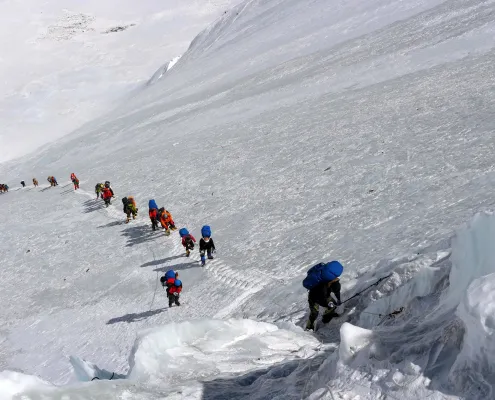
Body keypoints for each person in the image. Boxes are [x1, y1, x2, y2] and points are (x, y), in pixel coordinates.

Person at [303, 261, 343, 331]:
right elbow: (322, 298)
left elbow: (336, 291)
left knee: (332, 306)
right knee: (314, 313)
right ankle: (309, 327)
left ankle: (326, 317)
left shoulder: (331, 282)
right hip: (314, 298)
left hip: (321, 296)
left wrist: (338, 300)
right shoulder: (323, 287)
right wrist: (331, 303)